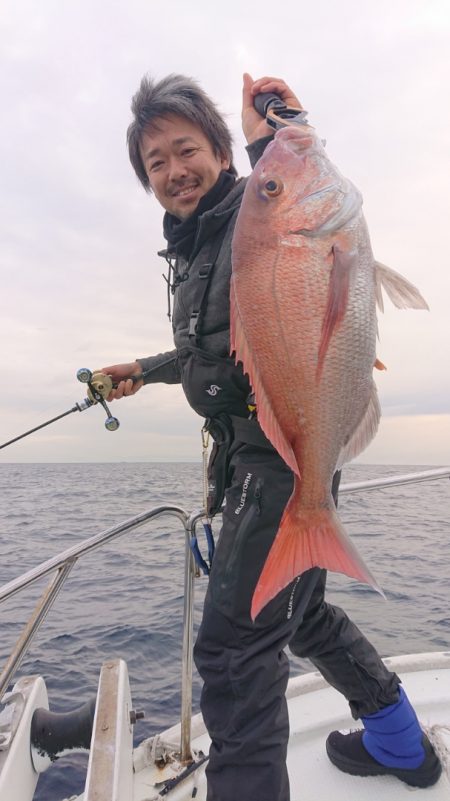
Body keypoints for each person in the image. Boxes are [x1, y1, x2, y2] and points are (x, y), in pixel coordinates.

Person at [101, 73, 441, 800]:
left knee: (232, 654)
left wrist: (279, 131)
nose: (172, 170)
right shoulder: (191, 249)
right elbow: (221, 347)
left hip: (277, 461)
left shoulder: (248, 217)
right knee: (302, 611)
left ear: (224, 154)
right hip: (264, 459)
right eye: (154, 161)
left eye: (185, 149)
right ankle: (401, 743)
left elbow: (293, 189)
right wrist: (144, 369)